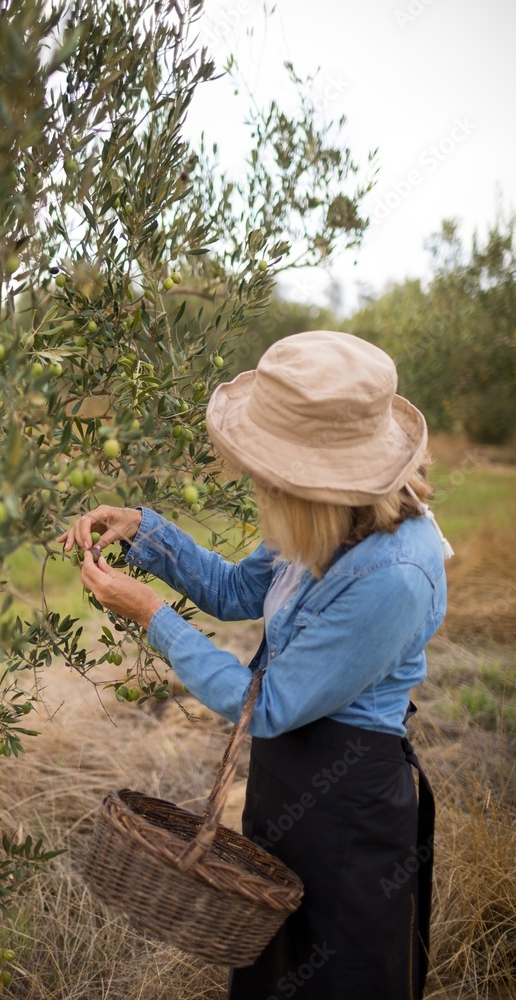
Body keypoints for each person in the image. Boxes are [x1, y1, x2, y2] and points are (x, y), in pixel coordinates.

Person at [56, 330, 451, 1000]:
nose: (259, 480)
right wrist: (146, 533)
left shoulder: (394, 574)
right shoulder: (329, 517)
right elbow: (239, 592)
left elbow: (263, 704)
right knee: (276, 971)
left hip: (348, 804)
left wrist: (152, 616)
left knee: (340, 974)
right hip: (289, 777)